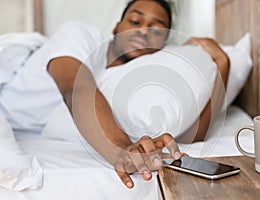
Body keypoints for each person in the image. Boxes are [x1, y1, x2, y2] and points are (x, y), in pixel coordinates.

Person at [0, 0, 229, 189]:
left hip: (33, 134)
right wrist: (121, 149)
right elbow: (75, 89)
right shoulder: (80, 35)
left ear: (163, 46)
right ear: (116, 27)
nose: (143, 30)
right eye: (135, 20)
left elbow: (191, 135)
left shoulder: (132, 78)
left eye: (156, 29)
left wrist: (222, 64)